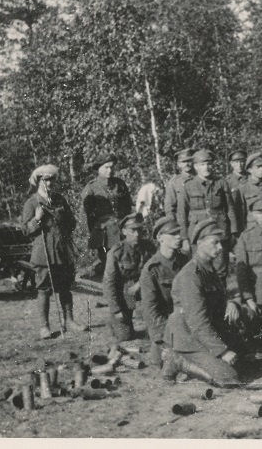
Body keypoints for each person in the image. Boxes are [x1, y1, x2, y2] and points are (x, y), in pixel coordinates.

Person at [161, 219, 245, 387]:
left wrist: (230, 302)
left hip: (200, 332)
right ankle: (177, 360)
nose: (220, 248)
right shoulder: (190, 276)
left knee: (244, 362)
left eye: (220, 243)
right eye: (215, 243)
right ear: (199, 243)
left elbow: (218, 299)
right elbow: (198, 322)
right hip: (187, 337)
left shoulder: (208, 269)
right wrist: (222, 351)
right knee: (229, 376)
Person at [21, 164, 86, 339]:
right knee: (44, 289)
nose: (50, 183)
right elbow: (25, 231)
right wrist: (37, 219)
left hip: (62, 251)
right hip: (43, 253)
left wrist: (64, 221)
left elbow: (71, 223)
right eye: (46, 180)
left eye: (52, 180)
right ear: (38, 181)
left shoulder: (59, 200)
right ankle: (44, 327)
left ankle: (69, 321)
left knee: (65, 287)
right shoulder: (32, 202)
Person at [177, 149, 240, 277]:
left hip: (219, 230)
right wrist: (184, 238)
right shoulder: (188, 186)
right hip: (197, 233)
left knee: (221, 268)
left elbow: (230, 208)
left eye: (208, 164)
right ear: (195, 166)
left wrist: (233, 232)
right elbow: (182, 213)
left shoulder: (221, 183)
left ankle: (221, 296)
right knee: (200, 269)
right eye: (202, 164)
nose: (206, 167)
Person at [139, 216, 189, 367]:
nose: (179, 237)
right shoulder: (151, 270)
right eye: (173, 234)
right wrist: (167, 336)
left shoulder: (185, 261)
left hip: (187, 320)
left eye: (179, 233)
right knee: (163, 361)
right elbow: (151, 311)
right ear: (160, 238)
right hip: (166, 327)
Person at [103, 213, 157, 343]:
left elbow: (156, 271)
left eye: (139, 230)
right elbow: (109, 284)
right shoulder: (116, 252)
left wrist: (139, 284)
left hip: (144, 293)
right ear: (124, 231)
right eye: (133, 230)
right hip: (123, 297)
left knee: (156, 332)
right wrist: (116, 310)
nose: (137, 234)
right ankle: (113, 323)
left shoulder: (149, 248)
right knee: (125, 337)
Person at [80, 154, 133, 277]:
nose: (110, 170)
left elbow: (127, 206)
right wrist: (91, 233)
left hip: (121, 228)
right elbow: (85, 214)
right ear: (98, 169)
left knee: (124, 259)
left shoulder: (119, 184)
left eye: (112, 167)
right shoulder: (91, 187)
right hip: (103, 232)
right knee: (108, 263)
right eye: (106, 167)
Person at [163, 148, 195, 222]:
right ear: (178, 164)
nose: (187, 164)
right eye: (183, 162)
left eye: (189, 161)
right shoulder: (174, 183)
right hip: (183, 222)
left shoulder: (200, 179)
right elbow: (169, 208)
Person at [225, 149, 248, 238]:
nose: (239, 165)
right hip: (237, 222)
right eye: (236, 162)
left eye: (242, 161)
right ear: (231, 163)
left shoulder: (251, 178)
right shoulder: (227, 181)